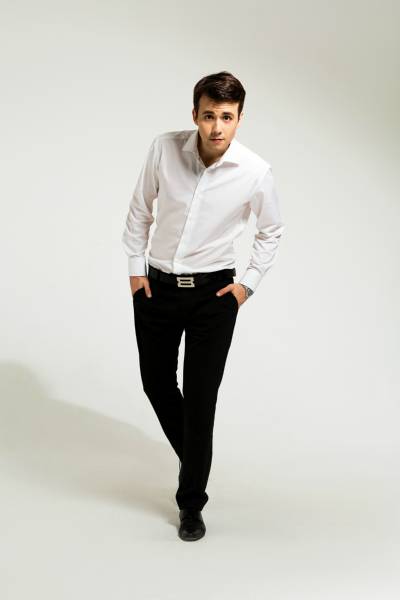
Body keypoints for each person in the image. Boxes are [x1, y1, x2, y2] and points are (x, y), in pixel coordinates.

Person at [121, 70, 285, 541]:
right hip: (156, 289)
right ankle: (196, 456)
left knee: (200, 398)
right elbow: (140, 209)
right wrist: (135, 271)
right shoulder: (164, 148)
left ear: (239, 119)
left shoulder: (255, 172)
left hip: (214, 296)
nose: (217, 127)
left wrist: (246, 285)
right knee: (156, 383)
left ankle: (191, 503)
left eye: (227, 117)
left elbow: (271, 230)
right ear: (194, 114)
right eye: (209, 115)